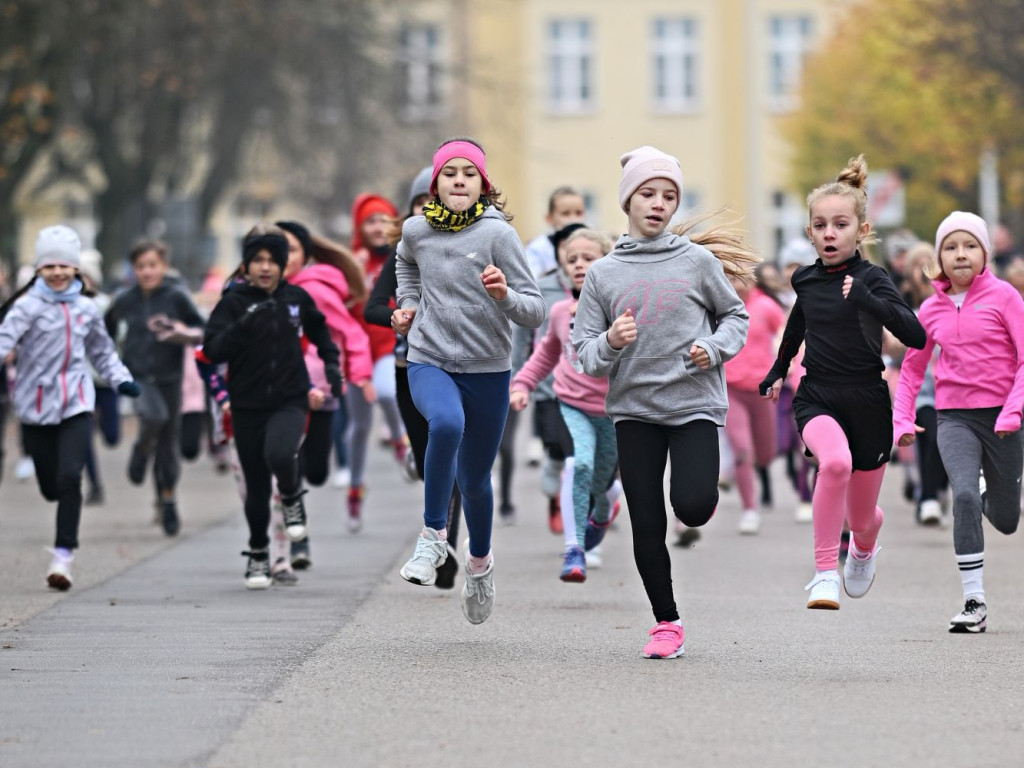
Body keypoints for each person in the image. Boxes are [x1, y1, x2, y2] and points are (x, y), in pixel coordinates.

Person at [573, 146, 755, 659]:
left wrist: (713, 348)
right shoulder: (604, 275)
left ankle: (699, 500)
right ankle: (666, 622)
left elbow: (734, 317)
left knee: (692, 507)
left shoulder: (696, 262)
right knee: (647, 519)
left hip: (693, 402)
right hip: (634, 411)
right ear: (628, 200)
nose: (658, 203)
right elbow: (584, 354)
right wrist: (610, 340)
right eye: (648, 193)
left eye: (668, 196)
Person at [760, 155, 926, 611]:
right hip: (818, 395)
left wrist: (871, 300)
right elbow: (797, 329)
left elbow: (916, 335)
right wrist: (778, 370)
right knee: (832, 465)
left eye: (840, 224)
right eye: (820, 225)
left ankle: (865, 546)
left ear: (861, 231)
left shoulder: (873, 278)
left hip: (868, 401)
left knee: (863, 517)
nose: (829, 233)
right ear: (810, 233)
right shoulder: (806, 280)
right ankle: (823, 575)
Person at [392, 137, 545, 624]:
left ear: (483, 185)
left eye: (469, 173)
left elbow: (534, 308)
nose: (459, 180)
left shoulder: (499, 236)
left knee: (476, 481)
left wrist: (503, 295)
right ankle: (433, 537)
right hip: (428, 356)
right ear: (436, 184)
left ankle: (479, 563)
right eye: (450, 173)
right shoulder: (416, 231)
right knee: (446, 423)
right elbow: (405, 266)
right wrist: (409, 306)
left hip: (488, 369)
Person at [893, 212, 1024, 633]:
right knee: (963, 495)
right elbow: (912, 370)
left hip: (1004, 417)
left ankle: (992, 490)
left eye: (969, 246)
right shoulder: (930, 309)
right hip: (954, 418)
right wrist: (901, 420)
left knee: (1006, 519)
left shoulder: (1005, 298)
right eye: (950, 247)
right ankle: (974, 601)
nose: (960, 254)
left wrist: (1014, 411)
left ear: (985, 253)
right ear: (939, 258)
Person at [202, 225, 343, 589]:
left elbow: (321, 331)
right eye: (257, 261)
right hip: (246, 406)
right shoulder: (233, 303)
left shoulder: (296, 298)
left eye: (272, 261)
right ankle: (259, 553)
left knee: (281, 453)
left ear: (283, 266)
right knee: (257, 491)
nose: (265, 268)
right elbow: (212, 350)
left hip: (290, 399)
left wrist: (331, 364)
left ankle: (294, 498)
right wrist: (242, 326)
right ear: (246, 266)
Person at [0, 225, 139, 589]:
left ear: (76, 268)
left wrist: (120, 378)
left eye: (65, 265)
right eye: (50, 266)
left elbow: (102, 351)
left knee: (69, 478)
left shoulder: (86, 309)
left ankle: (63, 558)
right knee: (51, 487)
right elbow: (3, 342)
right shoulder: (25, 307)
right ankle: (59, 522)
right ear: (39, 269)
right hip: (34, 408)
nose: (58, 272)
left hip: (76, 403)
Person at [364, 165, 463, 590]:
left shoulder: (467, 247)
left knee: (456, 461)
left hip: (460, 367)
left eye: (432, 202)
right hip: (410, 369)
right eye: (418, 204)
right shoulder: (402, 251)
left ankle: (446, 547)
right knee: (430, 465)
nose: (425, 210)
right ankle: (439, 532)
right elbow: (370, 308)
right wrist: (397, 316)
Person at [511, 228, 620, 582]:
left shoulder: (621, 309)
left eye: (588, 259)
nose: (578, 265)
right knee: (578, 465)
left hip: (613, 412)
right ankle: (574, 550)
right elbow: (544, 355)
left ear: (607, 263)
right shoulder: (559, 311)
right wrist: (522, 384)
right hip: (571, 405)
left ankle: (603, 514)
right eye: (572, 260)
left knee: (602, 485)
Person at [280, 221, 374, 546]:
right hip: (280, 391)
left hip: (321, 391)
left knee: (317, 471)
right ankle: (296, 534)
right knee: (284, 457)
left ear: (305, 254)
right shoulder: (254, 292)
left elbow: (352, 333)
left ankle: (293, 491)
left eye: (290, 249)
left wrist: (360, 374)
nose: (279, 256)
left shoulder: (315, 290)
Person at [104, 240, 205, 536]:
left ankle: (168, 498)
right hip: (137, 375)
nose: (147, 272)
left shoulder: (176, 297)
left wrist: (181, 333)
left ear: (163, 266)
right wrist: (111, 357)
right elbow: (104, 330)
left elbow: (201, 330)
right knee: (153, 416)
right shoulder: (124, 299)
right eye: (141, 267)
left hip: (169, 376)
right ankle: (141, 448)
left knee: (168, 445)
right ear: (133, 269)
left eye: (153, 265)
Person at [347, 193, 410, 529]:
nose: (377, 227)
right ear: (360, 226)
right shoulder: (352, 261)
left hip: (387, 343)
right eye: (371, 221)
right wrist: (352, 274)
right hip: (356, 351)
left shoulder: (402, 257)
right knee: (358, 427)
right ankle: (355, 490)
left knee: (387, 392)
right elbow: (340, 307)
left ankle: (401, 440)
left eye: (384, 220)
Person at [724, 270, 786, 534]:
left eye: (739, 278)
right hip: (730, 388)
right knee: (742, 448)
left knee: (765, 452)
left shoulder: (766, 306)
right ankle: (750, 508)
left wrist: (786, 366)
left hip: (763, 389)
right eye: (729, 279)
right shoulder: (720, 307)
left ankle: (738, 471)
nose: (735, 284)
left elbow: (786, 336)